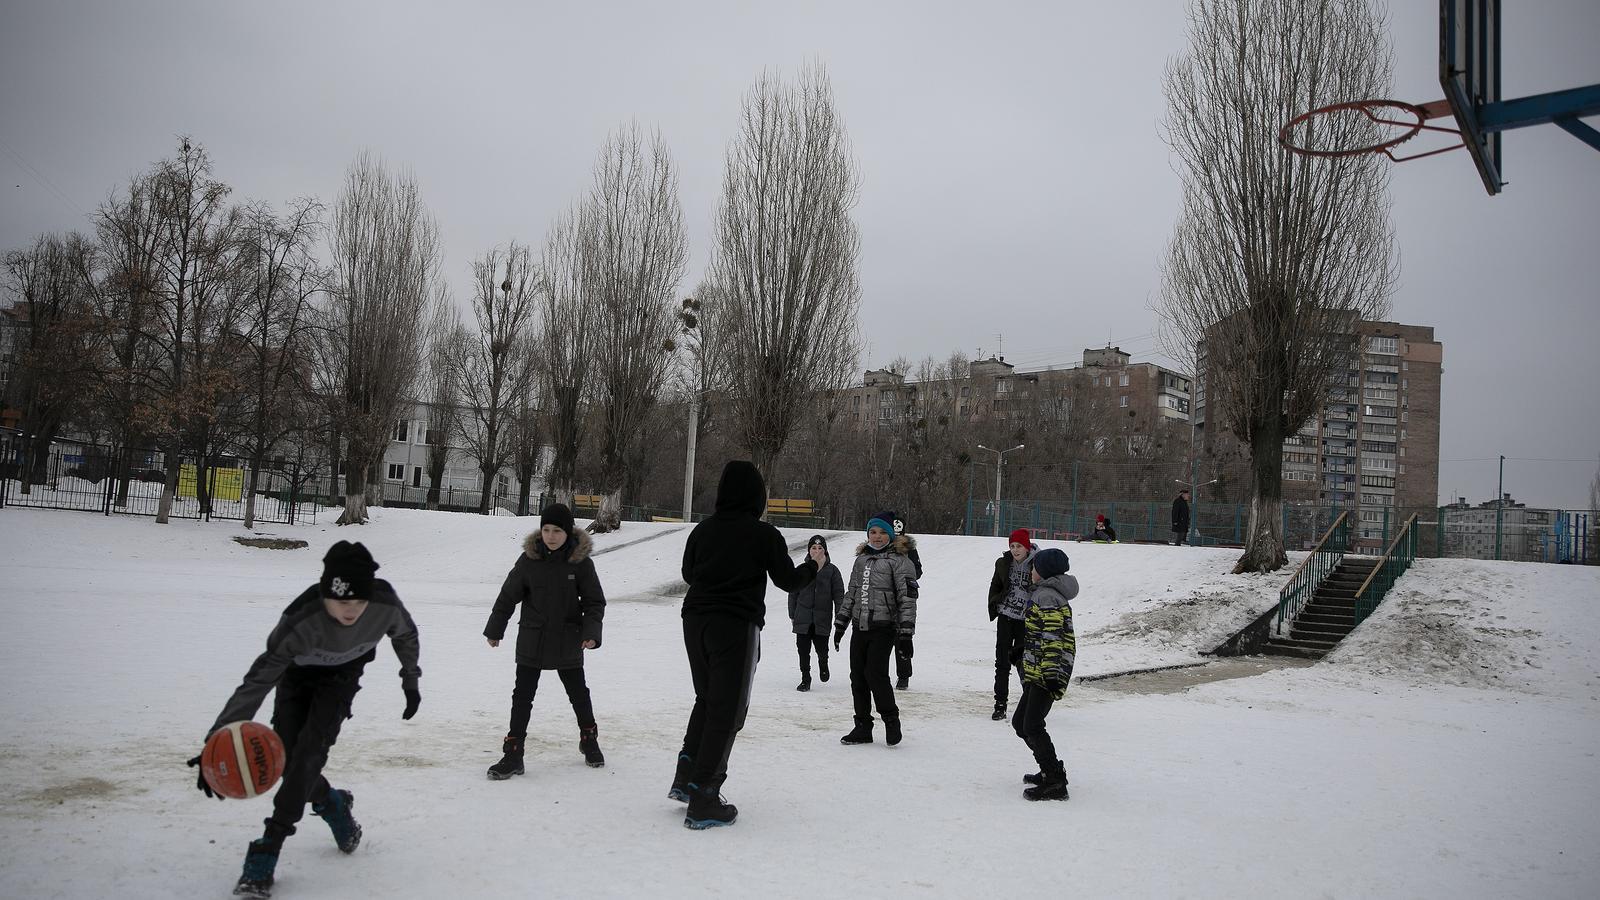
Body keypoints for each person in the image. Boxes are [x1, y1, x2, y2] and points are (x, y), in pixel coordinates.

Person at [191, 540, 421, 898]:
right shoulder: (301, 618)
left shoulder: (383, 603)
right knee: (283, 759)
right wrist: (218, 738)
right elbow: (259, 679)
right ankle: (333, 802)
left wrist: (410, 680)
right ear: (325, 592)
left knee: (309, 755)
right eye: (343, 601)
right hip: (297, 678)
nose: (352, 611)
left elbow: (406, 636)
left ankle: (268, 846)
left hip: (342, 679)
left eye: (359, 601)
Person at [672, 460, 818, 829]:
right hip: (735, 626)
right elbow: (788, 580)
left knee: (706, 700)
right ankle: (704, 796)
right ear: (757, 495)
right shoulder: (763, 535)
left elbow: (689, 574)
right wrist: (813, 566)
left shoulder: (702, 531)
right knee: (728, 710)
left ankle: (686, 778)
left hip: (695, 622)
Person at [482, 502, 607, 779]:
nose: (551, 536)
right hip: (532, 639)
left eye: (557, 531)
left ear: (569, 532)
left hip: (567, 639)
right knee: (522, 697)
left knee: (578, 694)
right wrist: (495, 629)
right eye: (546, 529)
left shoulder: (581, 563)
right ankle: (513, 754)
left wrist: (591, 633)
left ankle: (589, 739)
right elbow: (507, 596)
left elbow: (594, 602)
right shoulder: (529, 560)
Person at [834, 513, 918, 747]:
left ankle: (891, 719)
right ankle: (862, 725)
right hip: (860, 626)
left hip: (885, 627)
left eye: (882, 533)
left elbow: (907, 599)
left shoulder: (900, 561)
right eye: (873, 532)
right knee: (857, 676)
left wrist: (905, 634)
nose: (878, 537)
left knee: (875, 674)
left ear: (890, 535)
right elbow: (851, 593)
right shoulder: (861, 560)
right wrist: (841, 623)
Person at [1012, 547, 1076, 801]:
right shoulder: (1043, 593)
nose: (1031, 570)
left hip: (1047, 672)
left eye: (1034, 567)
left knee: (1032, 725)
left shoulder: (1048, 597)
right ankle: (1050, 769)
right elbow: (1038, 634)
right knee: (1021, 724)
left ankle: (1055, 782)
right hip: (1036, 669)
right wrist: (1021, 653)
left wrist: (1050, 674)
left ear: (1044, 571)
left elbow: (1053, 638)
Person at [986, 528, 1034, 721]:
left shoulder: (1036, 564)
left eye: (1019, 546)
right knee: (1002, 663)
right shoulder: (1003, 563)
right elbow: (995, 585)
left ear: (1027, 547)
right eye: (1012, 546)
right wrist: (995, 603)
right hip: (1006, 618)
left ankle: (1029, 704)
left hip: (1025, 621)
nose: (1015, 550)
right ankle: (1000, 704)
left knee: (1025, 663)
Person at [789, 534, 845, 692]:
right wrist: (792, 614)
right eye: (814, 548)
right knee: (803, 650)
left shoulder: (832, 571)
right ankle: (805, 678)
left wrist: (839, 616)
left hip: (822, 618)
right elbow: (793, 592)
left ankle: (823, 663)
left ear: (825, 551)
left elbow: (839, 594)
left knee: (822, 648)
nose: (817, 551)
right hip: (803, 617)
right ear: (809, 551)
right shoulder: (802, 568)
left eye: (820, 548)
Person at [885, 512, 923, 690]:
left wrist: (904, 576)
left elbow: (918, 570)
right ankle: (878, 673)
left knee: (903, 636)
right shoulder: (881, 545)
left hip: (903, 596)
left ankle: (903, 675)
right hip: (882, 597)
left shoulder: (909, 548)